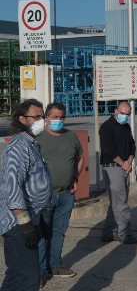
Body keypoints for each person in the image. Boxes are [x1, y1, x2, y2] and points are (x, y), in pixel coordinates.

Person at [0, 99, 52, 290]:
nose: (41, 121)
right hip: (18, 223)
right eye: (36, 117)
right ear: (22, 119)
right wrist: (26, 224)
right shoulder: (19, 147)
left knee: (15, 274)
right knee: (30, 278)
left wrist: (40, 220)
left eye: (42, 116)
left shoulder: (31, 143)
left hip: (32, 217)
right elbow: (12, 188)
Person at [37, 102, 84, 283]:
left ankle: (54, 265)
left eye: (62, 117)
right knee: (42, 234)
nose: (58, 120)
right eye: (55, 117)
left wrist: (75, 178)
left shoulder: (70, 136)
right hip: (44, 195)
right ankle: (40, 270)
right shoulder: (38, 137)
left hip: (66, 194)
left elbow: (79, 158)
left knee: (58, 232)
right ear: (46, 118)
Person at [99, 101, 137, 244]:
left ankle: (107, 232)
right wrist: (123, 163)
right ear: (116, 111)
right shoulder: (106, 127)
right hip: (112, 167)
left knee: (116, 201)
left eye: (128, 114)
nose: (125, 116)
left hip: (124, 166)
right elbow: (108, 149)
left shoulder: (126, 127)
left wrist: (129, 160)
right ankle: (124, 234)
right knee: (121, 202)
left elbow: (132, 145)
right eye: (122, 113)